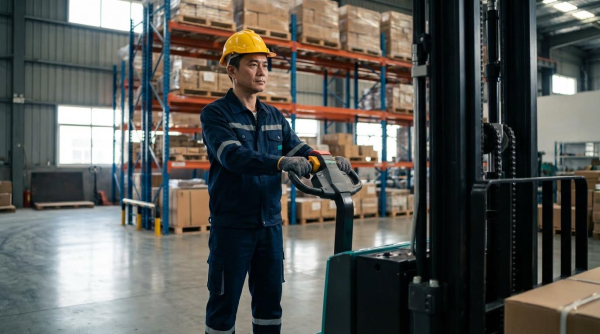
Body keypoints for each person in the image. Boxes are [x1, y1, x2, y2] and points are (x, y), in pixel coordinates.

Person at [201, 29, 353, 334]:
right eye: (253, 64)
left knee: (270, 303)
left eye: (264, 64)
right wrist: (280, 163)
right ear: (231, 70)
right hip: (232, 227)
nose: (262, 72)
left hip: (270, 226)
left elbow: (297, 148)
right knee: (223, 303)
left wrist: (328, 160)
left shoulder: (274, 115)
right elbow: (233, 157)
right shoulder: (215, 115)